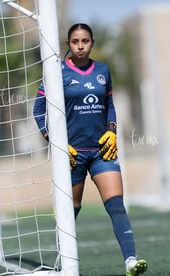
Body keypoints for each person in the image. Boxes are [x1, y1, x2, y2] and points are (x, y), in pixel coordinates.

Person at [33, 23, 147, 276]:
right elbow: (38, 110)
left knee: (116, 203)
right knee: (71, 209)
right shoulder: (57, 72)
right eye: (75, 41)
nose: (81, 45)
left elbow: (110, 104)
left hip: (100, 152)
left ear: (92, 42)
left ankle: (131, 260)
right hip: (72, 154)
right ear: (68, 44)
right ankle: (65, 263)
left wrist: (111, 131)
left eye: (85, 41)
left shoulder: (103, 70)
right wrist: (55, 141)